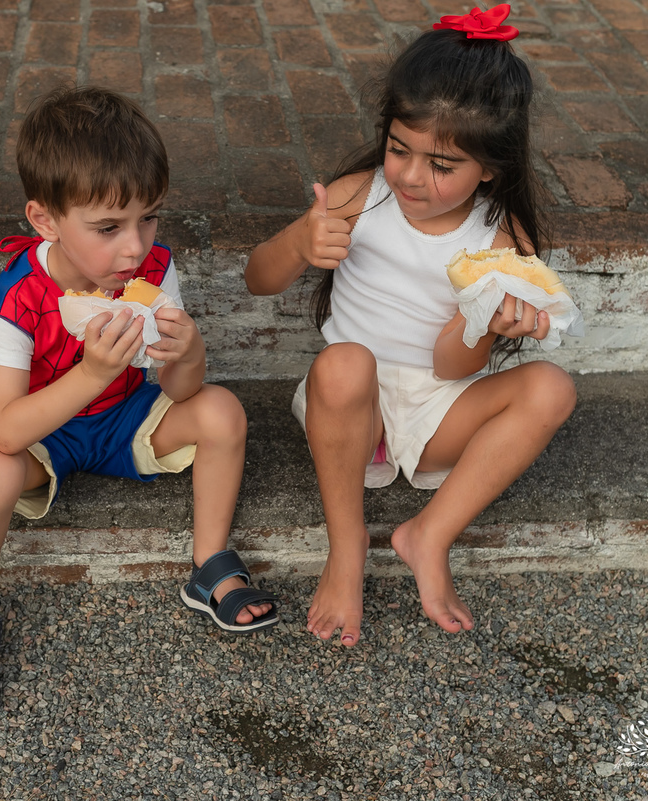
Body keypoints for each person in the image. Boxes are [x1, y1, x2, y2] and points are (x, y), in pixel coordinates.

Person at [0, 85, 278, 721]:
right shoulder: (18, 297)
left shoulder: (152, 270)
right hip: (44, 432)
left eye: (149, 218)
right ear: (45, 221)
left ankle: (209, 563)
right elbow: (8, 430)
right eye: (108, 228)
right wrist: (92, 373)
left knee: (223, 410)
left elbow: (181, 391)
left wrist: (189, 351)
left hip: (126, 418)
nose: (134, 246)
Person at [245, 5, 577, 646]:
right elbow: (259, 279)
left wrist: (482, 325)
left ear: (490, 168)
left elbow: (453, 366)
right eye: (399, 149)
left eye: (442, 166)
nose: (411, 177)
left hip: (439, 407)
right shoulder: (359, 196)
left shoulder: (501, 240)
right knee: (345, 362)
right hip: (349, 410)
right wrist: (298, 243)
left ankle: (430, 534)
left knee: (552, 388)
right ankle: (347, 547)